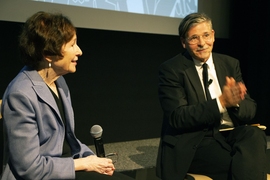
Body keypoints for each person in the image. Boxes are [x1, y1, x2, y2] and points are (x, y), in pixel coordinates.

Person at [1, 11, 133, 180]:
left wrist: (93, 159)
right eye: (72, 45)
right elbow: (29, 169)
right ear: (48, 54)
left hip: (65, 168)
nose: (79, 51)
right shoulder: (20, 94)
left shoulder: (59, 81)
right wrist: (85, 164)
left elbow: (70, 141)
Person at [156, 13, 268, 180]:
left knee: (254, 134)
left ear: (213, 36)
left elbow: (250, 110)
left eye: (206, 35)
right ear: (183, 42)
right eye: (194, 38)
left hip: (229, 133)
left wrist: (235, 102)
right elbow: (177, 117)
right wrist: (222, 102)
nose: (202, 43)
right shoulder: (172, 70)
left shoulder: (230, 64)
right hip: (196, 140)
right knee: (243, 165)